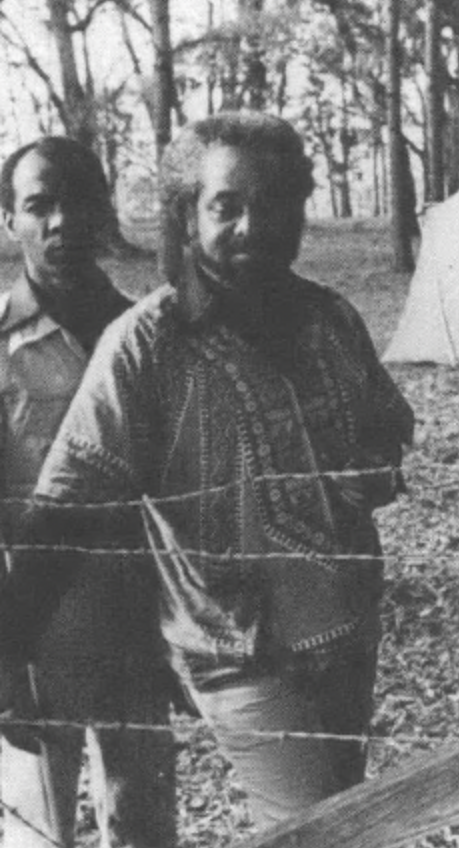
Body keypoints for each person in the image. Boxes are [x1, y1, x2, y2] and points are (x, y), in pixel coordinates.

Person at [0, 113, 415, 830]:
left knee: (344, 815)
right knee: (315, 831)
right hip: (238, 650)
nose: (255, 225)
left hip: (348, 635)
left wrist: (372, 470)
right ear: (187, 214)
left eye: (278, 200)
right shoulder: (146, 345)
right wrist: (9, 654)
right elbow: (60, 510)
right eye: (227, 205)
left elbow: (385, 429)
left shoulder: (331, 319)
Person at [0, 137, 175, 848]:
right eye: (39, 205)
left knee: (143, 828)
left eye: (78, 202)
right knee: (36, 830)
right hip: (30, 631)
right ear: (10, 219)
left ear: (103, 212)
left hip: (137, 623)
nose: (61, 222)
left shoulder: (150, 334)